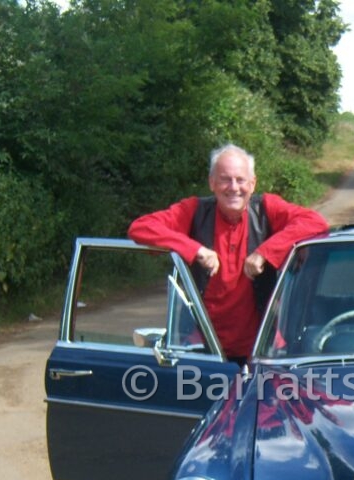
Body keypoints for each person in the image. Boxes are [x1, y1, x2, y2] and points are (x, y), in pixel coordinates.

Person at [128, 143, 328, 362]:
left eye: (241, 180)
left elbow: (315, 222)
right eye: (225, 179)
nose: (233, 187)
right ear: (212, 183)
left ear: (252, 184)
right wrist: (196, 250)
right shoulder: (194, 210)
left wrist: (265, 252)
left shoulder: (267, 209)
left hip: (261, 351)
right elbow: (141, 227)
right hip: (203, 349)